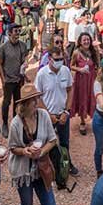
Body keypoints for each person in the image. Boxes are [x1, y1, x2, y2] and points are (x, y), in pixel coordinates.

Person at [6, 85, 57, 205]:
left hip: (41, 170)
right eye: (33, 99)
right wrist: (24, 151)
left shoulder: (43, 115)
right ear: (24, 103)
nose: (37, 101)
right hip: (23, 173)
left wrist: (41, 152)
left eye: (37, 98)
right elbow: (12, 147)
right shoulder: (16, 123)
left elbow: (53, 140)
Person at [34, 45, 77, 178]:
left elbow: (70, 90)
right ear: (49, 59)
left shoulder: (65, 71)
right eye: (57, 59)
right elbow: (38, 97)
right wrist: (49, 115)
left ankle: (66, 164)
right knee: (47, 144)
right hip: (47, 117)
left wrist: (66, 111)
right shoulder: (42, 74)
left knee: (64, 142)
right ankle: (48, 169)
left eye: (61, 59)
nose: (59, 62)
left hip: (63, 115)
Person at [0, 25, 29, 130]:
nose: (18, 33)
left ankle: (15, 123)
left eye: (19, 31)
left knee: (18, 102)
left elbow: (24, 60)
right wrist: (3, 80)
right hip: (8, 80)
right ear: (9, 33)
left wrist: (25, 65)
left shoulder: (23, 45)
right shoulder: (3, 47)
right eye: (15, 31)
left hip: (19, 80)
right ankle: (5, 124)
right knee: (6, 102)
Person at [68, 32, 97, 137]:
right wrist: (80, 69)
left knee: (94, 99)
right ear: (80, 42)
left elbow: (97, 65)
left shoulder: (93, 52)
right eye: (84, 40)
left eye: (88, 39)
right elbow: (71, 66)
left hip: (92, 80)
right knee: (82, 99)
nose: (86, 41)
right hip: (81, 81)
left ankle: (96, 122)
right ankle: (82, 122)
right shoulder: (76, 53)